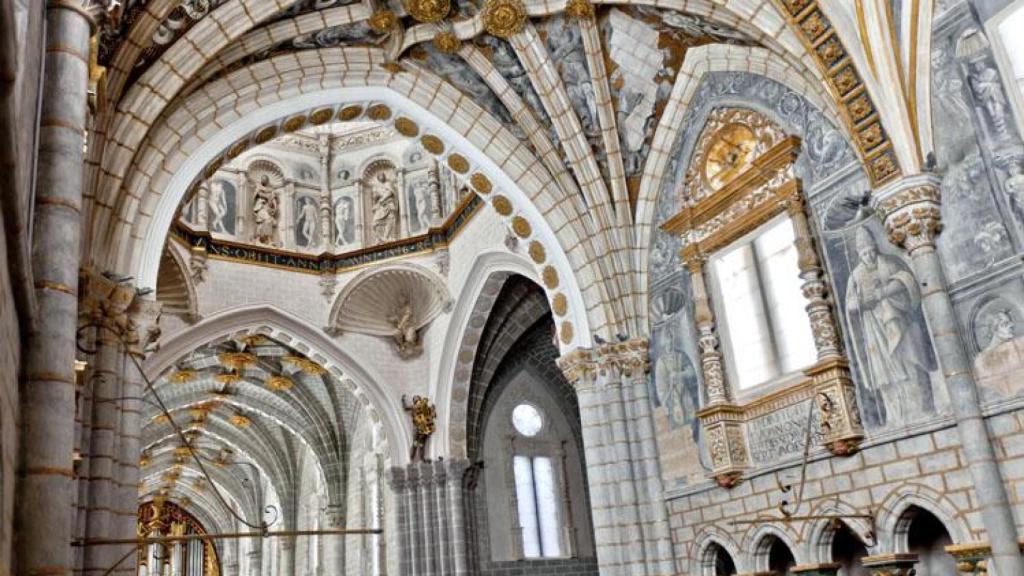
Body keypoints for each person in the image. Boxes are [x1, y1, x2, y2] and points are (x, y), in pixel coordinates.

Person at [845, 227, 935, 425]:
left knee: (911, 360)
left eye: (871, 250)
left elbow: (907, 281)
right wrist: (862, 302)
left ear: (875, 248)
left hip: (900, 320)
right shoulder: (855, 276)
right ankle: (897, 416)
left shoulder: (890, 263)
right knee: (886, 372)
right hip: (875, 329)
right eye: (864, 252)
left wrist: (883, 293)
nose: (869, 255)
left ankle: (924, 408)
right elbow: (850, 305)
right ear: (859, 254)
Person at [370, 171, 398, 244]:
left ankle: (387, 237)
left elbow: (391, 192)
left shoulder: (388, 184)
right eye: (380, 176)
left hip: (389, 203)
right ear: (378, 178)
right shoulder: (377, 187)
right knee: (375, 222)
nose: (381, 177)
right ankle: (379, 238)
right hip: (381, 206)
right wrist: (375, 195)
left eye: (382, 175)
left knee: (390, 219)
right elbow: (375, 198)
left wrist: (383, 199)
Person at [252, 175, 279, 245]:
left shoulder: (270, 190)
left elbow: (273, 200)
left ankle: (264, 240)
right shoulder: (258, 187)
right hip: (260, 207)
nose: (264, 180)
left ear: (267, 181)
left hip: (267, 208)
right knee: (266, 221)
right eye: (262, 179)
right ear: (261, 180)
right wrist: (263, 195)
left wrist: (275, 208)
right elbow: (254, 197)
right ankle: (264, 239)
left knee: (263, 223)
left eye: (265, 179)